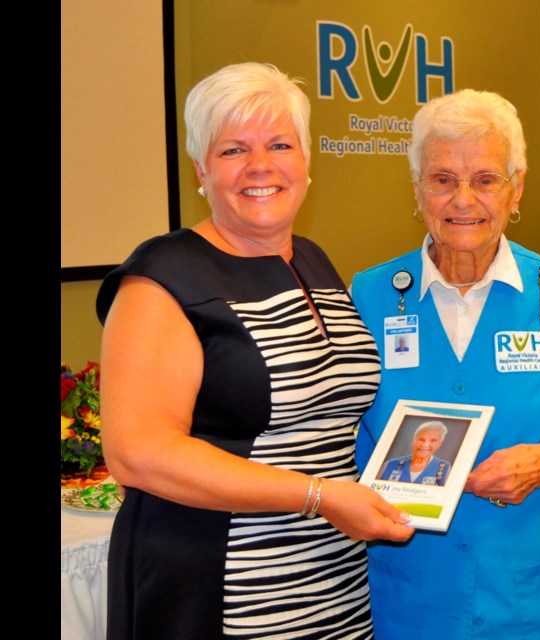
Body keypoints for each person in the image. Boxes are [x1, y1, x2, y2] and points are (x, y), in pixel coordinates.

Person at [96, 62, 414, 640]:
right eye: (233, 150)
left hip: (331, 584)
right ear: (201, 170)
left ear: (307, 161)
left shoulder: (313, 261)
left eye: (279, 144)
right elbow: (137, 453)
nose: (260, 166)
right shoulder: (162, 278)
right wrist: (319, 497)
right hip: (223, 591)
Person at [350, 88, 540, 639]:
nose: (462, 199)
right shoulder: (367, 295)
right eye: (443, 179)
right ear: (418, 190)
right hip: (410, 596)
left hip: (539, 598)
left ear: (516, 189)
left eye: (486, 180)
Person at [379, 421, 451, 485]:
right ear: (414, 440)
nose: (424, 445)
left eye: (433, 441)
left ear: (439, 444)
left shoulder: (445, 469)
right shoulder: (390, 465)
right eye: (421, 439)